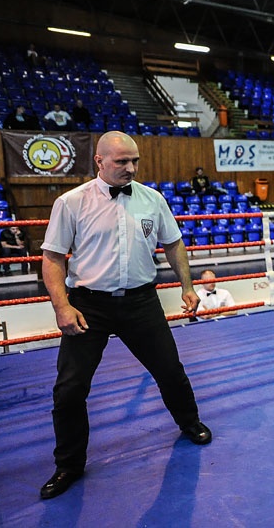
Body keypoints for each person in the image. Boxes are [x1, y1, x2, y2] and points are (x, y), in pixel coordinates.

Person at [39, 131, 211, 500]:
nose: (130, 168)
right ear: (99, 161)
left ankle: (189, 422)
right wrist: (62, 306)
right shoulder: (71, 202)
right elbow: (52, 257)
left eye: (134, 161)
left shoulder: (152, 198)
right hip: (89, 305)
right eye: (121, 162)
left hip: (140, 302)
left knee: (170, 371)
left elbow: (173, 242)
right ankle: (68, 464)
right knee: (69, 389)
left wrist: (187, 286)